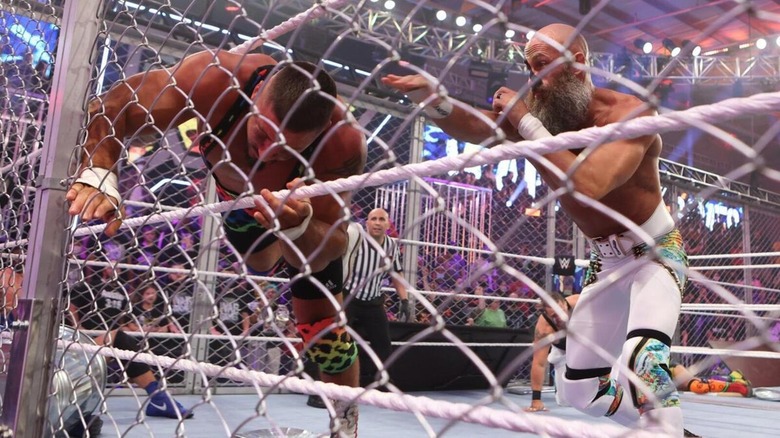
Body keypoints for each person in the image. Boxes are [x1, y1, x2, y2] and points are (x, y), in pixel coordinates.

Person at [383, 23, 688, 434]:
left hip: (655, 252)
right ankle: (662, 424)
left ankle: (662, 424)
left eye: (541, 65)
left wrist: (526, 123)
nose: (532, 78)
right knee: (580, 391)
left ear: (577, 63)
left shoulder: (628, 113)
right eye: (528, 66)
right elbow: (478, 128)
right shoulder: (543, 114)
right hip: (607, 261)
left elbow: (590, 184)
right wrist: (431, 99)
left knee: (644, 363)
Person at [66, 49, 366, 436]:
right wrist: (99, 170)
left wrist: (300, 226)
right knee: (259, 264)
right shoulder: (215, 78)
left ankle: (346, 425)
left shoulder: (342, 140)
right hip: (238, 205)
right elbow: (114, 105)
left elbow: (333, 243)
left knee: (325, 331)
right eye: (262, 134)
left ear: (319, 131)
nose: (266, 154)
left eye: (286, 149)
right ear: (257, 96)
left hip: (302, 215)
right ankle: (275, 239)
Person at [63, 267, 192, 420]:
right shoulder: (88, 286)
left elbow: (122, 318)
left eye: (118, 266)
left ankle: (158, 397)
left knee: (125, 340)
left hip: (106, 338)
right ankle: (158, 397)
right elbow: (71, 307)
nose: (115, 268)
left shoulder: (122, 292)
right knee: (120, 338)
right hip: (85, 340)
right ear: (103, 267)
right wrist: (79, 326)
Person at [343, 208, 411, 388]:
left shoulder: (391, 245)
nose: (377, 223)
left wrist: (404, 299)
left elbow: (396, 273)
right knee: (338, 339)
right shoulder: (356, 239)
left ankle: (384, 383)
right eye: (373, 219)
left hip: (373, 300)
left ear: (388, 224)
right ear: (367, 223)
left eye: (382, 219)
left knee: (383, 344)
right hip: (349, 296)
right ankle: (329, 384)